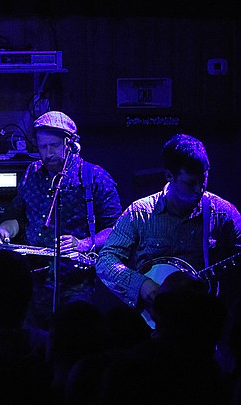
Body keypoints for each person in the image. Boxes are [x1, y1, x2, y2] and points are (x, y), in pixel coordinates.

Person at [0, 111, 121, 329]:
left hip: (75, 283)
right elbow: (18, 215)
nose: (47, 154)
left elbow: (116, 230)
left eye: (54, 146)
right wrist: (4, 230)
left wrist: (83, 243)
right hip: (32, 281)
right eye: (42, 146)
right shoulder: (32, 172)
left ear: (71, 144)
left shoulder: (95, 177)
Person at [97, 133, 241, 328]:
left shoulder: (223, 213)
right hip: (147, 326)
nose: (200, 189)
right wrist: (140, 285)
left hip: (199, 325)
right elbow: (106, 260)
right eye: (191, 183)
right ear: (169, 176)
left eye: (204, 180)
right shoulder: (140, 213)